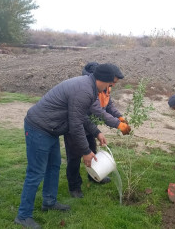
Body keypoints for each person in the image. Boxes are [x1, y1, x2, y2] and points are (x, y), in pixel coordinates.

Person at [14, 64, 116, 229]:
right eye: (109, 84)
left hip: (51, 129)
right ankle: (23, 215)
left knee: (54, 166)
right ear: (102, 80)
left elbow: (80, 116)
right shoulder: (84, 90)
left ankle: (49, 201)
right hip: (39, 128)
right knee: (36, 172)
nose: (108, 88)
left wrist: (96, 132)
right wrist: (86, 151)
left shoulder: (87, 85)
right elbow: (76, 126)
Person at [65, 62, 131, 198]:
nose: (112, 85)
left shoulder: (106, 88)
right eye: (112, 82)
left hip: (90, 125)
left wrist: (119, 116)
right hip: (76, 123)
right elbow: (97, 110)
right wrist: (118, 125)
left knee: (92, 150)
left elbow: (108, 105)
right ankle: (74, 186)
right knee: (74, 156)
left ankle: (94, 176)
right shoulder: (89, 89)